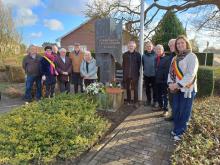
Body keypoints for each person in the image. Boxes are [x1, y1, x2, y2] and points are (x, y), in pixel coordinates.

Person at [168, 35, 199, 141]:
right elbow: (171, 73)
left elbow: (190, 75)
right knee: (176, 110)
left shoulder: (192, 56)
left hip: (187, 90)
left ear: (186, 43)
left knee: (184, 111)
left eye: (182, 42)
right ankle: (177, 129)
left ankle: (180, 132)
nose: (180, 45)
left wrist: (177, 84)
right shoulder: (175, 58)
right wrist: (170, 84)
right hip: (177, 89)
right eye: (178, 43)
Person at [122, 40, 141, 108]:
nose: (131, 47)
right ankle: (129, 100)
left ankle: (136, 102)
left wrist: (136, 72)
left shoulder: (138, 55)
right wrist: (124, 74)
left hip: (135, 74)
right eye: (130, 46)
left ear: (134, 46)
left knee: (135, 89)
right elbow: (123, 65)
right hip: (127, 74)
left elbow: (139, 65)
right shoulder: (124, 55)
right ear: (128, 46)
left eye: (132, 46)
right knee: (128, 88)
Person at [154, 44, 171, 117]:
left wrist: (166, 80)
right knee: (158, 95)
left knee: (165, 96)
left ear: (163, 50)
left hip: (164, 81)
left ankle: (166, 110)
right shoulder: (156, 58)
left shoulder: (167, 59)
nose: (158, 50)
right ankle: (160, 106)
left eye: (159, 49)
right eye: (157, 49)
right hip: (157, 80)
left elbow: (167, 71)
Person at [142, 41, 157, 107]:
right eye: (147, 46)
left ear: (152, 47)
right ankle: (148, 100)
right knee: (147, 89)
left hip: (154, 75)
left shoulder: (156, 55)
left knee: (154, 89)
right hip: (146, 75)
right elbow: (143, 64)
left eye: (150, 46)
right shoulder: (143, 56)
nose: (149, 47)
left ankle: (154, 101)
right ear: (145, 47)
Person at [165, 39, 176, 121]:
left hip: (178, 84)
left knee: (176, 101)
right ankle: (172, 115)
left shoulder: (179, 55)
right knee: (171, 100)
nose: (171, 46)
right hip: (170, 82)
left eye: (173, 44)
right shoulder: (170, 56)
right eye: (170, 45)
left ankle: (175, 116)